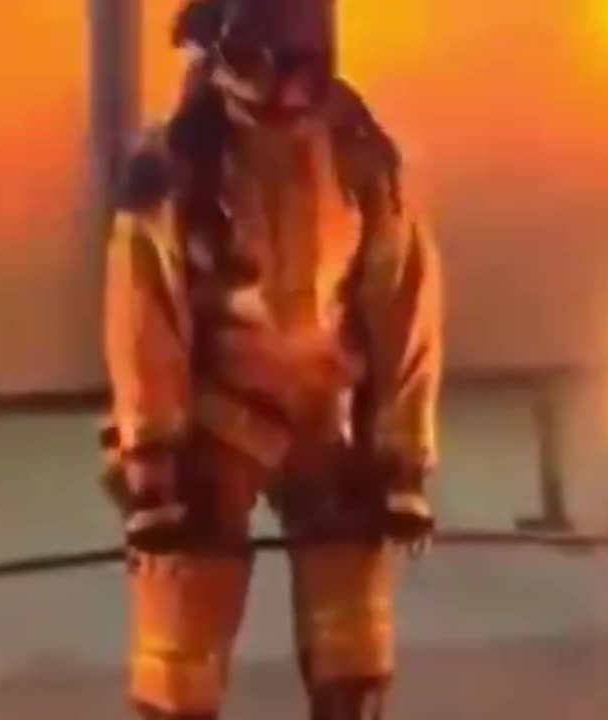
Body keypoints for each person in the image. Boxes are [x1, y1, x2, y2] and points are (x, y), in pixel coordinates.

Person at [100, 0, 443, 718]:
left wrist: (401, 460)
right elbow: (145, 319)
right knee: (179, 638)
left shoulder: (360, 154)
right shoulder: (177, 166)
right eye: (277, 63)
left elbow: (403, 303)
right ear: (232, 49)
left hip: (328, 418)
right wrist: (154, 470)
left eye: (308, 63)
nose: (294, 89)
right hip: (214, 423)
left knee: (352, 633)